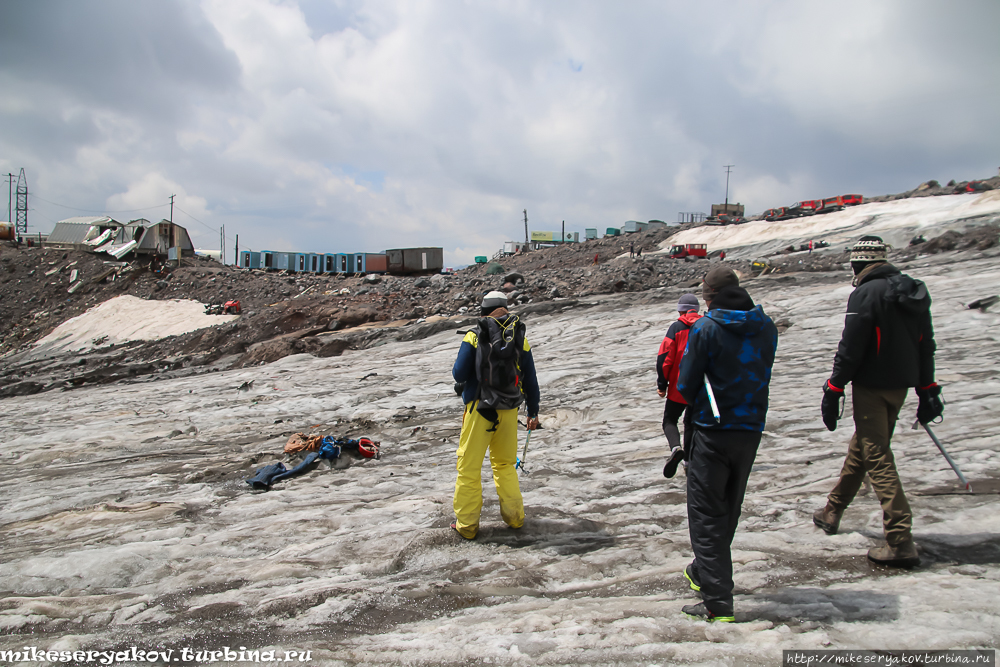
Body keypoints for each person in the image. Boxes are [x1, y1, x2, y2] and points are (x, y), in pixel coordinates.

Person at [813, 236, 941, 567]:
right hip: (901, 384)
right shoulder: (913, 291)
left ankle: (899, 539)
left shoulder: (866, 293)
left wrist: (835, 386)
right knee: (865, 444)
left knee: (876, 454)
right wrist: (927, 387)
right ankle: (832, 510)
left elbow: (852, 344)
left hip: (871, 383)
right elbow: (926, 343)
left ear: (859, 264)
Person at [676, 266, 778, 622]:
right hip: (750, 429)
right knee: (729, 508)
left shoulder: (706, 328)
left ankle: (718, 602)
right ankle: (704, 572)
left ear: (709, 295)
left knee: (706, 514)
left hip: (711, 429)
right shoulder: (765, 325)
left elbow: (686, 386)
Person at [451, 291, 541, 539]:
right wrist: (533, 410)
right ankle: (515, 519)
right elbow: (531, 380)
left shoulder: (474, 335)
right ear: (505, 308)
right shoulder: (519, 337)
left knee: (468, 469)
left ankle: (467, 527)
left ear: (483, 310)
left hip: (480, 410)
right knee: (505, 465)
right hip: (510, 410)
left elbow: (459, 374)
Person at [656, 293, 701, 478]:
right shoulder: (707, 325)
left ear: (680, 310)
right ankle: (689, 462)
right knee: (690, 422)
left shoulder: (676, 328)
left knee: (669, 420)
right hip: (701, 387)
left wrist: (662, 383)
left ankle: (675, 448)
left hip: (678, 387)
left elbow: (664, 358)